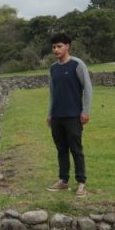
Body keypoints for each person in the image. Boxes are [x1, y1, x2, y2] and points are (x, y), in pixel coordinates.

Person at [46, 33, 92, 197]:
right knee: (61, 149)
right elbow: (52, 93)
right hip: (57, 116)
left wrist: (85, 111)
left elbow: (88, 88)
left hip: (73, 116)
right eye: (53, 47)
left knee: (76, 149)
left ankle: (81, 183)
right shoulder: (53, 68)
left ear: (67, 46)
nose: (56, 50)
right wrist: (49, 114)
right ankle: (63, 181)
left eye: (59, 46)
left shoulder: (77, 65)